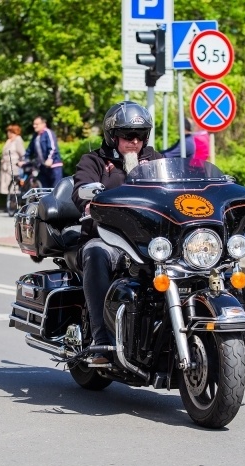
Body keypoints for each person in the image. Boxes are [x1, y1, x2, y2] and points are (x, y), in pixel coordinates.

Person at [71, 101, 164, 364]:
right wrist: (89, 202)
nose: (134, 141)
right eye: (128, 135)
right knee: (96, 253)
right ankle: (102, 341)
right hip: (107, 238)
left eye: (140, 135)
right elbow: (80, 190)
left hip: (150, 242)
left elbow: (174, 188)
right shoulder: (94, 161)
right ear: (113, 136)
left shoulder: (156, 161)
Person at [23, 116, 63, 189]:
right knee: (44, 190)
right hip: (43, 167)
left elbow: (53, 148)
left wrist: (50, 159)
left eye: (36, 124)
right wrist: (24, 159)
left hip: (53, 166)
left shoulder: (48, 133)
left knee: (56, 189)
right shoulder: (35, 136)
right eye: (34, 124)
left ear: (43, 124)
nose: (34, 126)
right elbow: (29, 150)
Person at [0, 124, 25, 199]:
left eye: (10, 132)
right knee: (8, 186)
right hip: (6, 167)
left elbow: (22, 153)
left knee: (14, 186)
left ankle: (14, 202)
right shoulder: (9, 141)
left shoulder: (18, 140)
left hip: (14, 166)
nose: (8, 133)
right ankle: (10, 202)